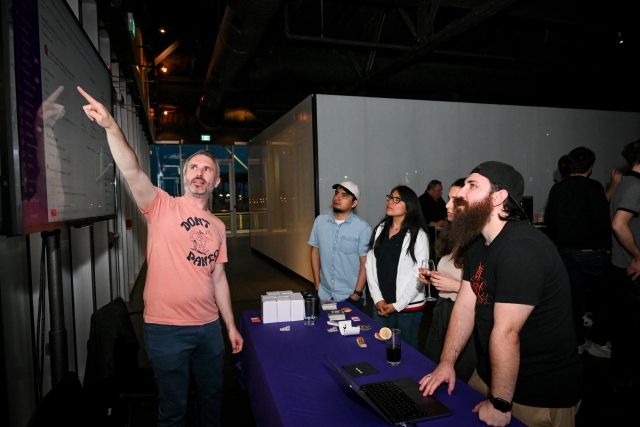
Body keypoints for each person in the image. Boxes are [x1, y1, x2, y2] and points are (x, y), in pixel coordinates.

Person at [77, 87, 243, 427]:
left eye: (208, 169)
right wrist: (111, 127)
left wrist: (230, 326)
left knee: (213, 398)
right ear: (184, 175)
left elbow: (219, 278)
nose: (200, 172)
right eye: (194, 166)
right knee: (173, 408)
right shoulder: (161, 205)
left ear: (216, 180)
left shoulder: (217, 226)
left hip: (209, 328)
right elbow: (132, 171)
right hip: (166, 330)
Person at [419, 161, 583, 427]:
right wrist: (447, 362)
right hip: (488, 376)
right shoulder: (478, 245)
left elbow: (507, 332)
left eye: (473, 186)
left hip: (536, 392)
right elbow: (464, 307)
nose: (460, 193)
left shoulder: (521, 248)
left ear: (499, 197)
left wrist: (500, 403)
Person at [544, 146, 612, 358]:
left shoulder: (558, 189)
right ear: (590, 168)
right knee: (603, 299)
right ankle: (599, 343)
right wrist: (608, 247)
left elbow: (550, 222)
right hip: (593, 252)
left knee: (573, 299)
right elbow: (603, 222)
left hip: (567, 253)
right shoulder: (594, 187)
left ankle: (577, 341)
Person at [421, 178, 477, 382]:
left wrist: (454, 286)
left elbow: (490, 290)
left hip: (465, 314)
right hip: (442, 308)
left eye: (455, 199)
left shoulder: (480, 239)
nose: (447, 204)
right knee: (430, 366)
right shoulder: (454, 234)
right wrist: (433, 278)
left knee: (457, 377)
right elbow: (451, 271)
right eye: (448, 198)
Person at [365, 185, 428, 349]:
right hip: (381, 304)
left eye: (397, 199)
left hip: (408, 307)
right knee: (379, 347)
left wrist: (397, 305)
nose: (390, 202)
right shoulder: (380, 229)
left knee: (407, 351)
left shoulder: (418, 235)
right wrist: (378, 298)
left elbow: (419, 275)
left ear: (409, 205)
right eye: (390, 198)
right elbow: (370, 265)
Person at [308, 181, 372, 308]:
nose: (337, 198)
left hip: (349, 296)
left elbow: (365, 263)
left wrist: (357, 294)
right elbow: (315, 253)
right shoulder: (320, 222)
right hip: (324, 295)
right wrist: (317, 286)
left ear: (354, 203)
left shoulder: (362, 228)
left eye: (345, 195)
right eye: (337, 193)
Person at [609, 139, 640, 392]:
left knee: (625, 326)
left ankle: (622, 379)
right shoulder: (634, 185)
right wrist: (638, 256)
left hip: (622, 265)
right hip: (630, 267)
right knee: (630, 329)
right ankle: (625, 381)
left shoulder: (625, 183)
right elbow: (619, 224)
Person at [419, 180, 447, 258]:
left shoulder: (439, 200)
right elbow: (420, 218)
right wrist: (435, 224)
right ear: (431, 190)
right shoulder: (422, 201)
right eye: (439, 190)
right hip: (430, 236)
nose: (441, 193)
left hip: (440, 235)